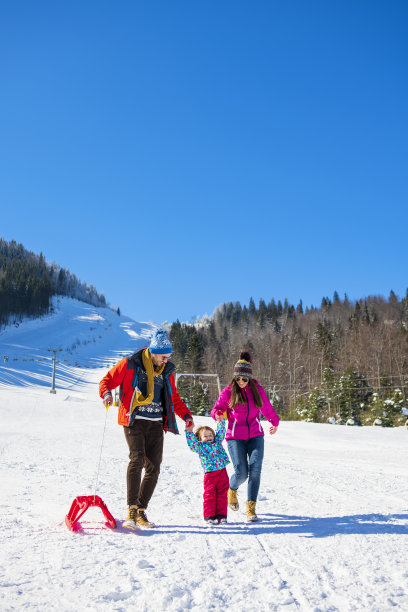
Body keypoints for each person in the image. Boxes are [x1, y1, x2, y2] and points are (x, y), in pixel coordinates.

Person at [99, 328, 194, 529]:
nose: (166, 360)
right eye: (163, 356)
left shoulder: (167, 372)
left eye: (168, 356)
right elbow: (107, 380)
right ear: (153, 351)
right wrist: (106, 393)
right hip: (134, 421)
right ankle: (131, 509)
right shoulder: (130, 364)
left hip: (156, 423)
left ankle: (141, 510)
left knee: (154, 466)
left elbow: (173, 397)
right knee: (137, 459)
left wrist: (185, 415)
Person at [211, 351, 279, 522]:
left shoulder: (257, 391)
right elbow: (216, 408)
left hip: (255, 436)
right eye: (238, 379)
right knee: (241, 473)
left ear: (249, 378)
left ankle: (251, 509)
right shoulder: (228, 392)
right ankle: (231, 490)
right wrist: (217, 414)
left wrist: (274, 422)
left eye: (244, 379)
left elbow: (266, 408)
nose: (241, 382)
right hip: (235, 438)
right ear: (234, 378)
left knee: (255, 471)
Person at [185, 419, 230, 525]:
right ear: (200, 438)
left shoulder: (217, 441)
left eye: (210, 435)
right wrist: (189, 432)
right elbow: (192, 444)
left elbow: (221, 432)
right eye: (205, 436)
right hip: (210, 474)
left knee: (222, 494)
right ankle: (209, 516)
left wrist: (220, 421)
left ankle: (221, 516)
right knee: (210, 494)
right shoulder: (200, 447)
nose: (209, 437)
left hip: (222, 472)